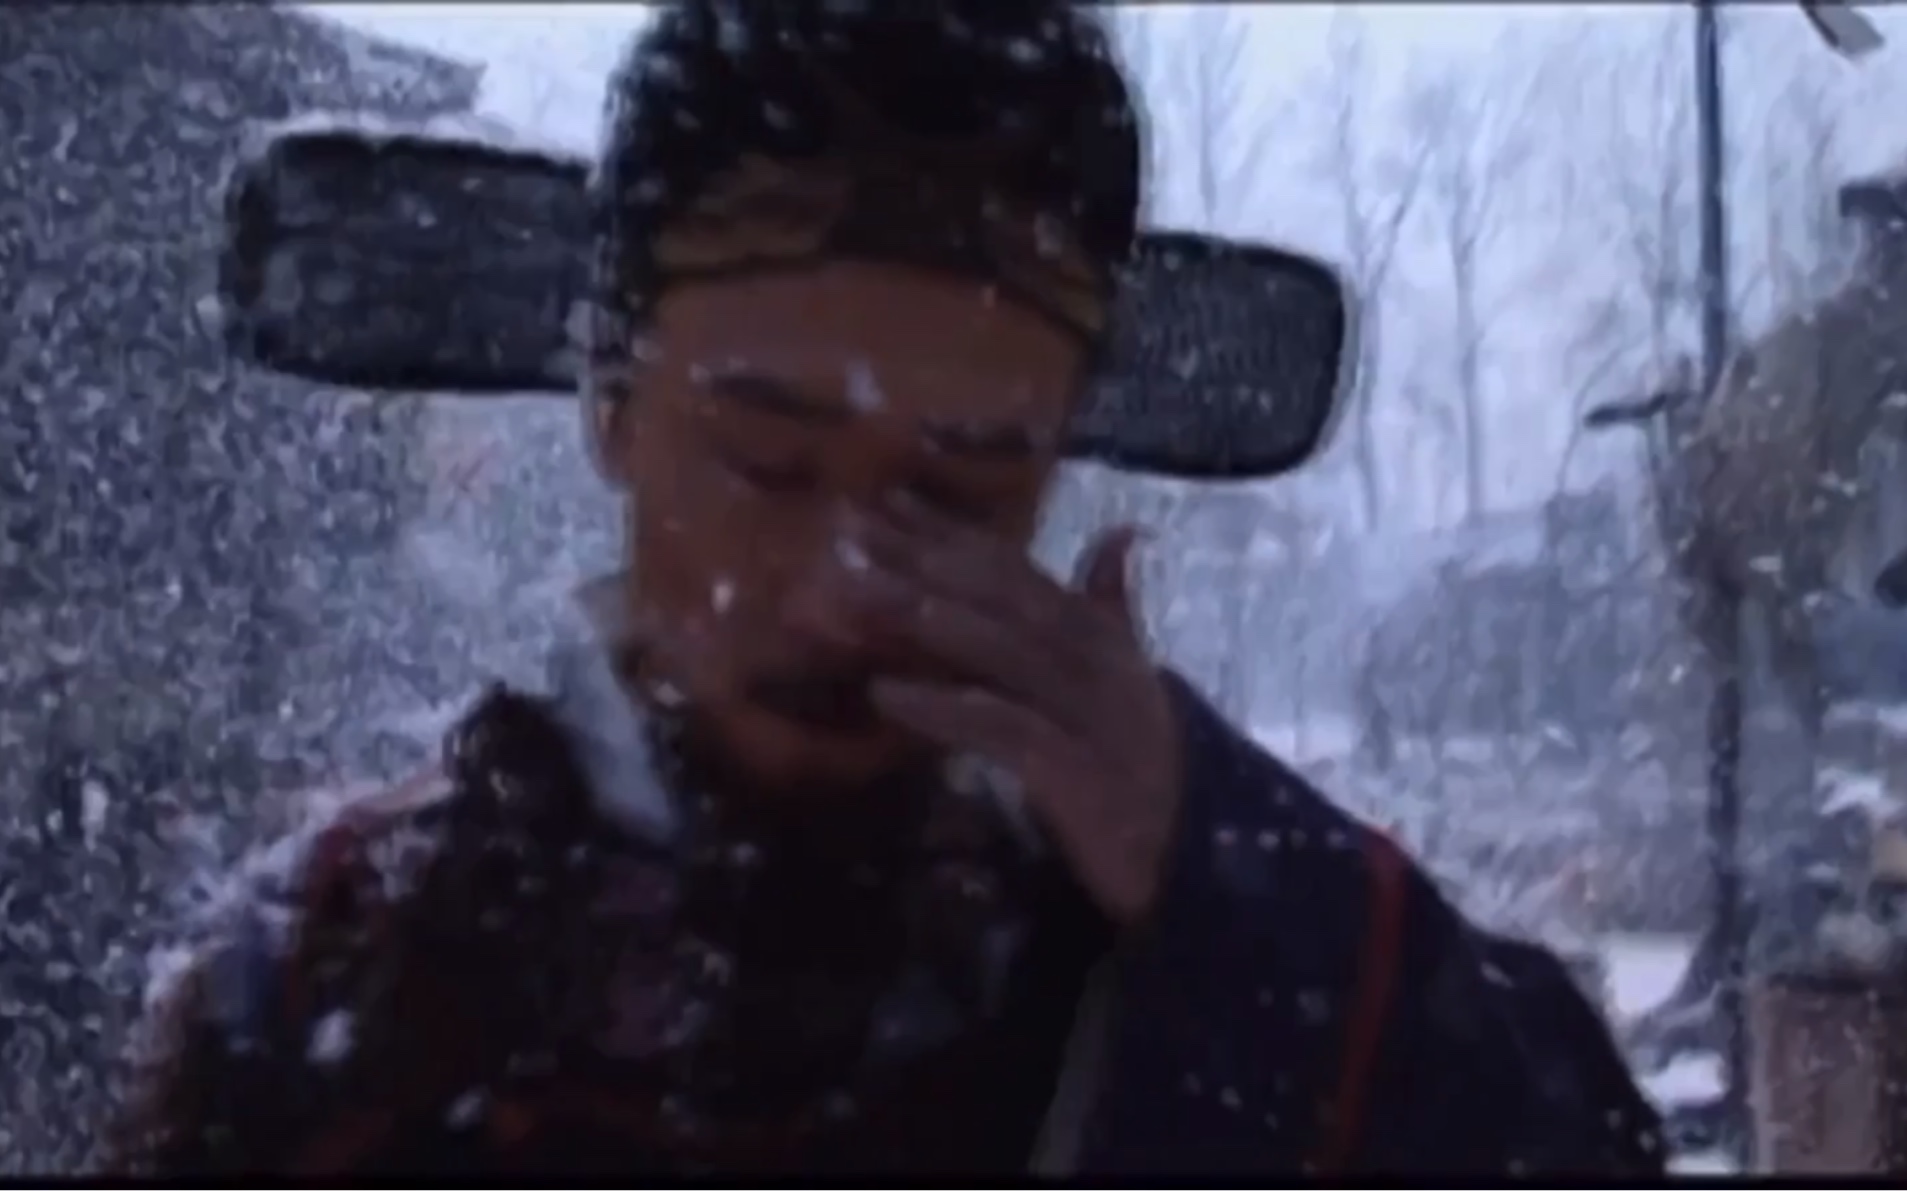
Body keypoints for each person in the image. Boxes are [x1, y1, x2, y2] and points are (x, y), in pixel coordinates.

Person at [109, 0, 1665, 1174]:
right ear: (611, 406)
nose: (848, 586)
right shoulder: (336, 977)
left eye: (966, 483)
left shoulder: (1169, 956)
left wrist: (1221, 870)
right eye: (766, 459)